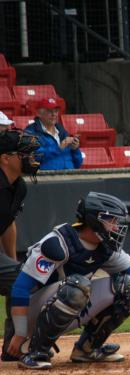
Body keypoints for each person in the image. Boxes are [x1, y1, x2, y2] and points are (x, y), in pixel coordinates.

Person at [6, 192, 130, 369]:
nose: (116, 226)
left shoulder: (104, 248)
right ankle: (35, 351)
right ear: (95, 220)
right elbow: (20, 289)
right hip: (28, 312)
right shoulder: (58, 243)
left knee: (126, 285)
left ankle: (87, 349)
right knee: (78, 285)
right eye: (111, 220)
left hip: (65, 300)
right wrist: (20, 333)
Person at [0, 129, 40, 361]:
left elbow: (7, 224)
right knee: (20, 278)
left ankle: (12, 347)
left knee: (20, 277)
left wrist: (11, 259)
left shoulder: (19, 186)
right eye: (25, 153)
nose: (32, 158)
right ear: (5, 158)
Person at [24, 98, 83, 170]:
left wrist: (75, 149)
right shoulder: (30, 132)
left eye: (56, 111)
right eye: (49, 111)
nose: (54, 114)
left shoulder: (62, 132)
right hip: (47, 178)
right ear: (39, 113)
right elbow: (35, 157)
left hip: (70, 176)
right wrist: (59, 148)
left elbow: (78, 163)